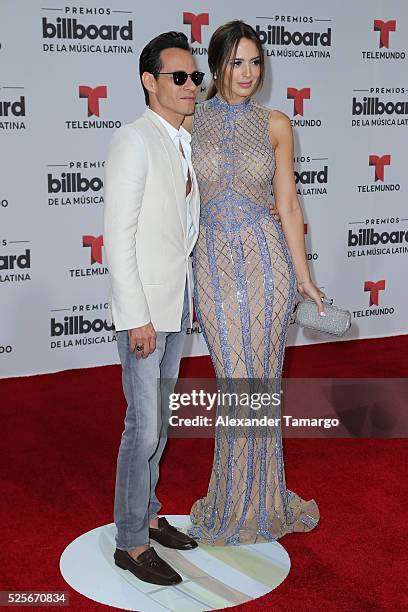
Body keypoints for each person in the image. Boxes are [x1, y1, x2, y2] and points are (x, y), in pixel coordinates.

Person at [183, 21, 323, 545]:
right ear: (216, 64)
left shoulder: (276, 123)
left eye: (255, 62)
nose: (247, 74)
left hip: (267, 263)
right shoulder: (189, 120)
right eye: (236, 62)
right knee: (234, 382)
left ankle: (260, 503)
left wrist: (304, 277)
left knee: (261, 383)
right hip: (213, 264)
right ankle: (232, 500)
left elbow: (287, 203)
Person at [103, 31, 202, 585]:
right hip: (144, 311)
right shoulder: (133, 140)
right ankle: (131, 542)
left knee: (158, 424)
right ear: (150, 81)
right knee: (141, 429)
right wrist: (136, 314)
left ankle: (149, 511)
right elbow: (117, 237)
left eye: (195, 78)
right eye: (179, 77)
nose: (191, 86)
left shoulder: (181, 139)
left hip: (174, 303)